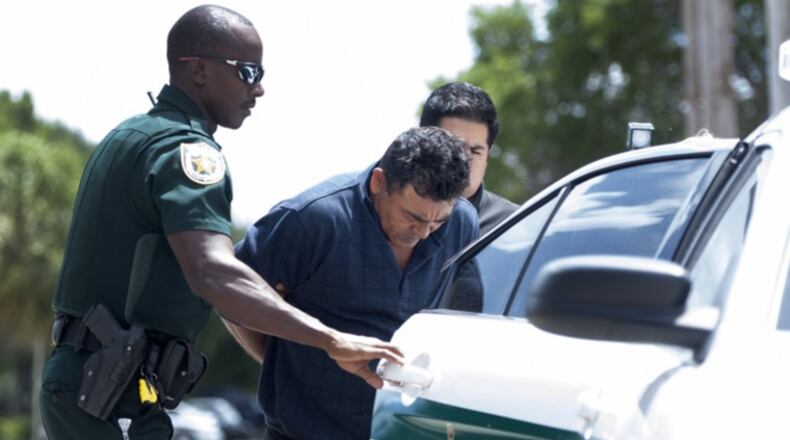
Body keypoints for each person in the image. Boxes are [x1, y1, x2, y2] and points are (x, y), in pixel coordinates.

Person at [39, 5, 402, 440]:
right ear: (199, 70)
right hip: (107, 390)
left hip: (99, 382)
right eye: (248, 72)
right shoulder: (188, 153)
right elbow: (213, 271)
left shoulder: (131, 135)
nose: (259, 88)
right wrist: (330, 339)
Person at [228, 126, 479, 440]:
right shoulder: (313, 219)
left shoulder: (463, 223)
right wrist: (278, 361)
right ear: (379, 182)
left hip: (405, 430)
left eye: (438, 221)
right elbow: (233, 292)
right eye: (412, 217)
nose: (424, 232)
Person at [420, 82, 519, 234]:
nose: (464, 161)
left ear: (487, 157)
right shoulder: (392, 213)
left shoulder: (514, 225)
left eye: (475, 151)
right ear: (422, 146)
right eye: (454, 148)